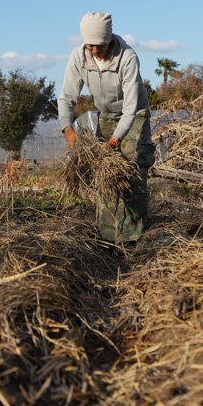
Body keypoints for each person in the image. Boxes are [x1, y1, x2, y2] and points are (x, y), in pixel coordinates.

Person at [58, 12, 156, 243]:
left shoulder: (127, 57)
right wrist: (68, 129)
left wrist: (116, 139)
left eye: (99, 45)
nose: (95, 51)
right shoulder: (79, 57)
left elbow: (131, 108)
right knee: (105, 172)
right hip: (107, 116)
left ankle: (131, 238)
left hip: (134, 117)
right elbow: (66, 98)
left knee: (131, 170)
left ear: (109, 39)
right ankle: (108, 236)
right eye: (90, 45)